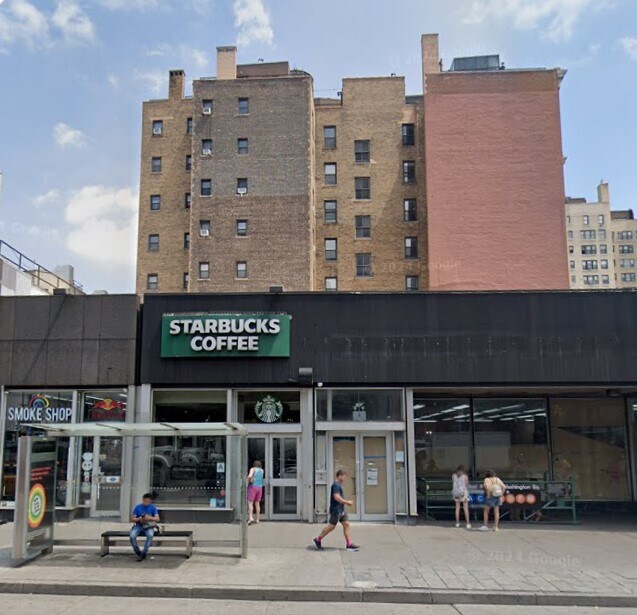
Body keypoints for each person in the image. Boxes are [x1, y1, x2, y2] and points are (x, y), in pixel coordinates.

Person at [313, 469, 359, 551]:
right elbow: (336, 497)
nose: (345, 479)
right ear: (340, 476)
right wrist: (347, 502)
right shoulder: (336, 485)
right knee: (331, 527)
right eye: (344, 477)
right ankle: (318, 539)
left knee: (346, 524)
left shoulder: (339, 485)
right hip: (336, 510)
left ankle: (349, 544)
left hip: (341, 509)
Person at [130, 493, 160, 561]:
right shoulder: (138, 507)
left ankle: (144, 553)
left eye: (147, 501)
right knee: (132, 536)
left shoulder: (153, 507)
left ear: (150, 501)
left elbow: (157, 519)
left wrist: (149, 518)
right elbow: (133, 519)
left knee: (150, 535)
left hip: (148, 526)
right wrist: (139, 519)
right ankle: (138, 552)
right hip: (138, 525)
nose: (145, 502)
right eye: (144, 501)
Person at [247, 460, 265, 525]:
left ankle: (251, 518)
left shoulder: (253, 469)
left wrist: (249, 479)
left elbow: (249, 476)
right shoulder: (262, 471)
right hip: (260, 488)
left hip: (253, 487)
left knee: (250, 503)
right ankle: (257, 519)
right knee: (257, 503)